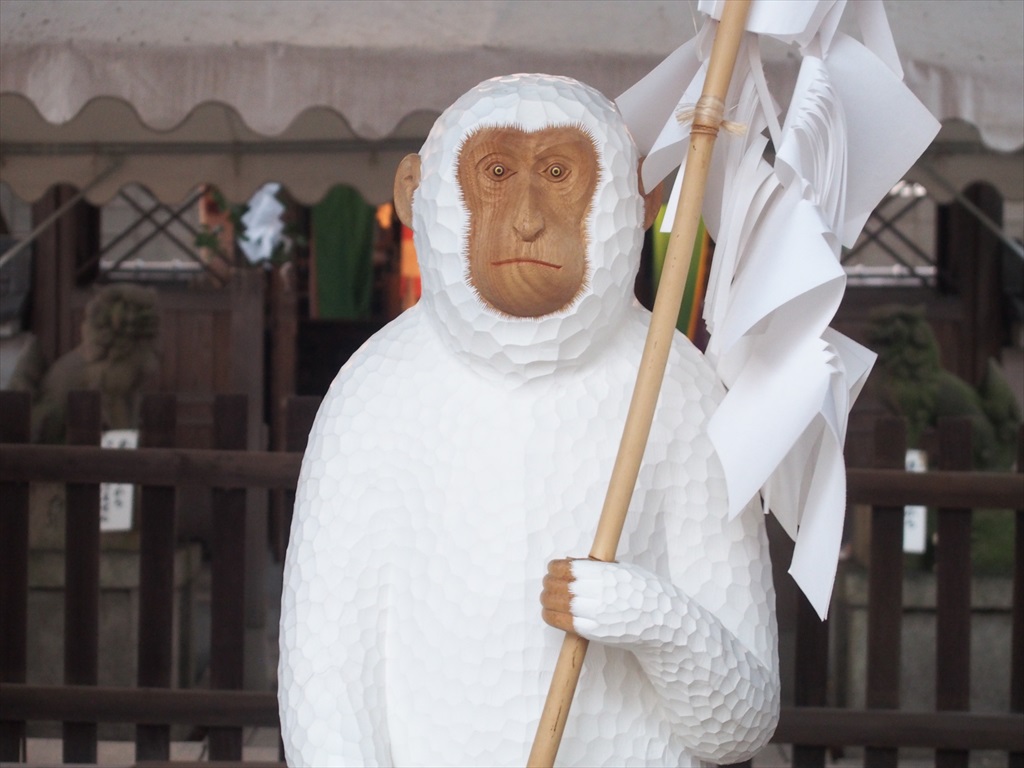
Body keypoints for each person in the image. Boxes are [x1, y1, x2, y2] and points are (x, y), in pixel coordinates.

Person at [279, 73, 779, 767]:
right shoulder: (374, 396)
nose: (526, 217)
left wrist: (655, 620)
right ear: (415, 192)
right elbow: (326, 682)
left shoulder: (679, 392)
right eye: (496, 173)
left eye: (557, 172)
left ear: (640, 199)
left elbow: (741, 727)